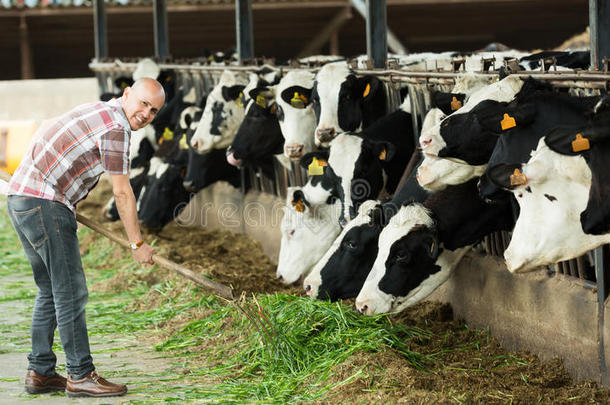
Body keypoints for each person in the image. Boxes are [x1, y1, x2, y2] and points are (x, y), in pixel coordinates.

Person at [6, 77, 165, 397]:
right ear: (127, 94)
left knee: (50, 290)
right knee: (71, 292)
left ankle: (40, 372)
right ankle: (80, 374)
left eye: (154, 111)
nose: (146, 113)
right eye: (143, 104)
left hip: (21, 198)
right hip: (44, 204)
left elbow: (48, 132)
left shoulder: (99, 110)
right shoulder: (117, 128)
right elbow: (122, 192)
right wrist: (137, 243)